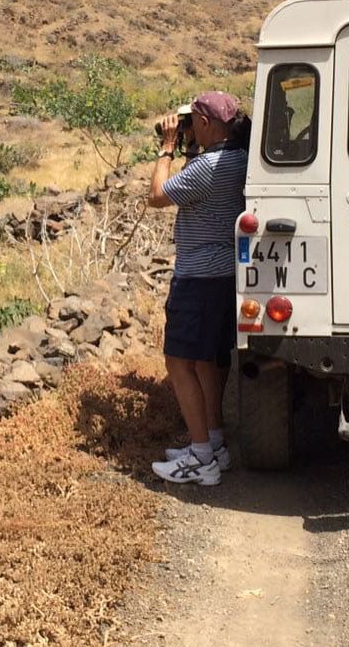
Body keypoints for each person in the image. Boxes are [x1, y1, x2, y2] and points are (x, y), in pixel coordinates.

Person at [148, 91, 248, 486]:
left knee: (178, 363)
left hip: (197, 277)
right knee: (207, 362)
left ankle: (201, 457)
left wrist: (167, 148)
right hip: (225, 276)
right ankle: (216, 444)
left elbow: (156, 195)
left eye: (191, 122)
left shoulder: (206, 168)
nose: (188, 128)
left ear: (205, 124)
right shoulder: (238, 160)